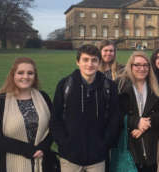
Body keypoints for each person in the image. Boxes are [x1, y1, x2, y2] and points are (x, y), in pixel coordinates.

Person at [50, 44, 120, 172]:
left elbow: (114, 119)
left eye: (94, 60)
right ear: (78, 62)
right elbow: (55, 119)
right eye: (85, 60)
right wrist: (64, 143)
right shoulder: (65, 85)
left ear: (99, 63)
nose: (90, 64)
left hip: (98, 157)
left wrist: (104, 144)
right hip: (70, 157)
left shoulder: (109, 86)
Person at [0, 57, 54, 172]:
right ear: (13, 75)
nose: (25, 77)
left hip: (42, 162)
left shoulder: (43, 97)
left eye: (30, 73)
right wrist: (28, 150)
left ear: (35, 76)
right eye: (20, 73)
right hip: (8, 164)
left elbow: (53, 127)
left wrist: (43, 148)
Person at [116, 51, 159, 172]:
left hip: (151, 146)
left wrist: (144, 125)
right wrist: (136, 122)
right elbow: (115, 113)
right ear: (131, 66)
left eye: (145, 65)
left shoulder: (155, 86)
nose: (142, 68)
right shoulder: (119, 86)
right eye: (137, 65)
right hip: (129, 146)